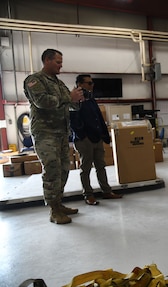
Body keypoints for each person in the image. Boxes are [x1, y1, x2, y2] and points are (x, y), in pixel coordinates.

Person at [23, 48, 85, 224]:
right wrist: (68, 97)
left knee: (64, 169)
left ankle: (58, 203)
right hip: (45, 133)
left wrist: (78, 100)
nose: (61, 65)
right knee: (51, 169)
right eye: (58, 62)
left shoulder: (58, 83)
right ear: (47, 60)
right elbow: (41, 102)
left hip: (61, 133)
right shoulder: (34, 80)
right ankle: (53, 210)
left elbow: (71, 105)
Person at [70, 74, 123, 205]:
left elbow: (98, 117)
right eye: (89, 83)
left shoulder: (91, 99)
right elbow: (73, 121)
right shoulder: (74, 100)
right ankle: (88, 194)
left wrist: (104, 135)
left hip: (97, 138)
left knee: (101, 166)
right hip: (85, 140)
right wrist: (83, 135)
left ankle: (106, 191)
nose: (92, 85)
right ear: (80, 85)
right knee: (86, 168)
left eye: (92, 83)